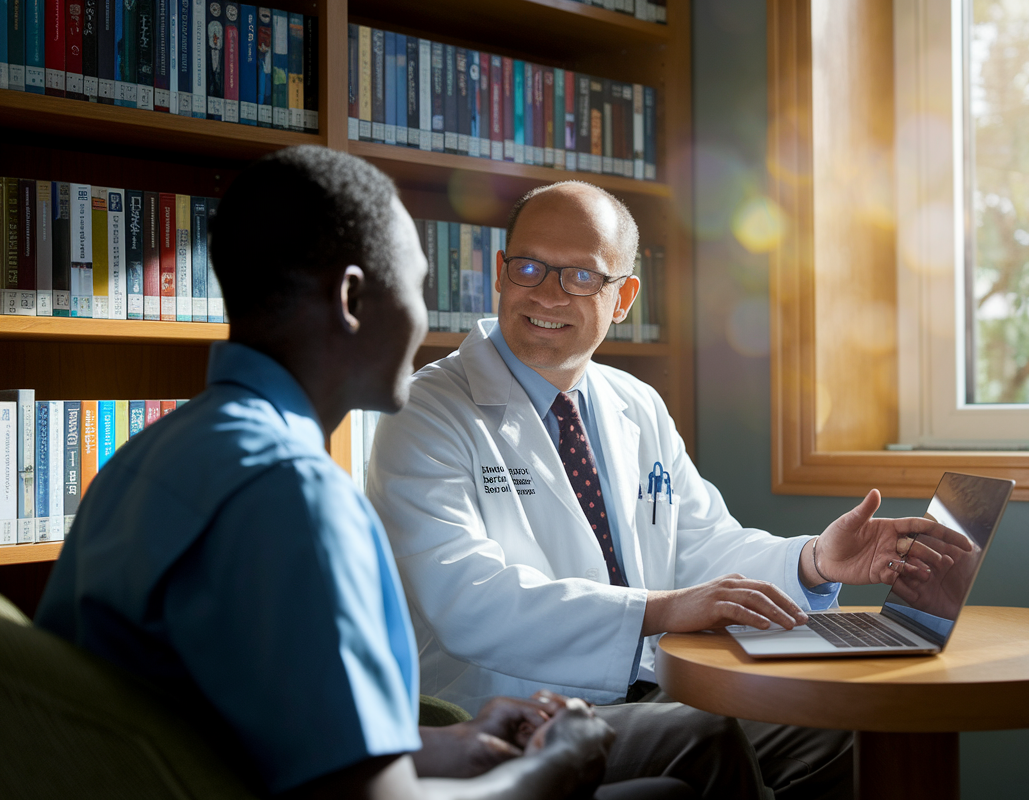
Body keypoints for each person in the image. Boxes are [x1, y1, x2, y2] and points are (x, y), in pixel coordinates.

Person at [35, 149, 692, 800]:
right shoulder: (296, 494)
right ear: (353, 298)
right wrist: (556, 767)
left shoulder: (153, 455)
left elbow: (240, 721)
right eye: (417, 284)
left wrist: (449, 742)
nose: (427, 319)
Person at [366, 180, 961, 799]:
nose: (546, 292)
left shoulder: (635, 402)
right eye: (530, 267)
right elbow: (469, 599)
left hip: (648, 687)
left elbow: (701, 544)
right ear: (500, 272)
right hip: (513, 711)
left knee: (844, 729)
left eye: (581, 277)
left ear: (624, 297)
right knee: (706, 737)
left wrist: (813, 561)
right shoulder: (426, 411)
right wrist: (661, 609)